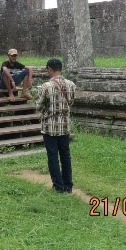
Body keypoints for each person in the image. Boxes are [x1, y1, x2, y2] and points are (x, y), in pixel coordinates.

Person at [35, 58, 76, 193]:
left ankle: (58, 186)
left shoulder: (46, 86)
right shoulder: (71, 84)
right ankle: (68, 185)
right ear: (60, 69)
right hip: (64, 124)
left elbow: (39, 106)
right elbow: (71, 102)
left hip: (50, 126)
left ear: (50, 69)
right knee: (65, 155)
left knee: (53, 156)